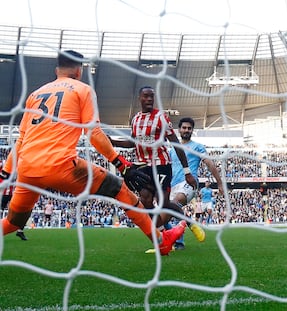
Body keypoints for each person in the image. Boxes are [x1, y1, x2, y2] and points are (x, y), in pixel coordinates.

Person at [0, 50, 183, 256]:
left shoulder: (34, 95)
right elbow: (93, 133)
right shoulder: (83, 89)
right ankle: (161, 240)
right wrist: (121, 164)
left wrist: (5, 174)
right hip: (61, 165)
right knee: (119, 189)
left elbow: (21, 140)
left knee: (13, 222)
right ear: (79, 70)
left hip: (27, 168)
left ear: (56, 70)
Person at [109, 87, 204, 242]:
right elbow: (132, 143)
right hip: (142, 166)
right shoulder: (135, 119)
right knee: (145, 201)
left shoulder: (161, 117)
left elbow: (176, 144)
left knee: (163, 203)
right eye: (146, 96)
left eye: (151, 97)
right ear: (139, 98)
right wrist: (113, 142)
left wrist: (187, 172)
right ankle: (163, 239)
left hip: (161, 165)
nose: (149, 100)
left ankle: (189, 222)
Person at [169, 117, 224, 249]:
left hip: (189, 183)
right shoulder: (172, 149)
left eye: (189, 128)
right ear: (179, 130)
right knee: (167, 212)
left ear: (192, 130)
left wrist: (220, 183)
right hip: (172, 185)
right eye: (184, 128)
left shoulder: (197, 147)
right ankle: (175, 242)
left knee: (174, 204)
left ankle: (189, 225)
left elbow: (210, 163)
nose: (186, 130)